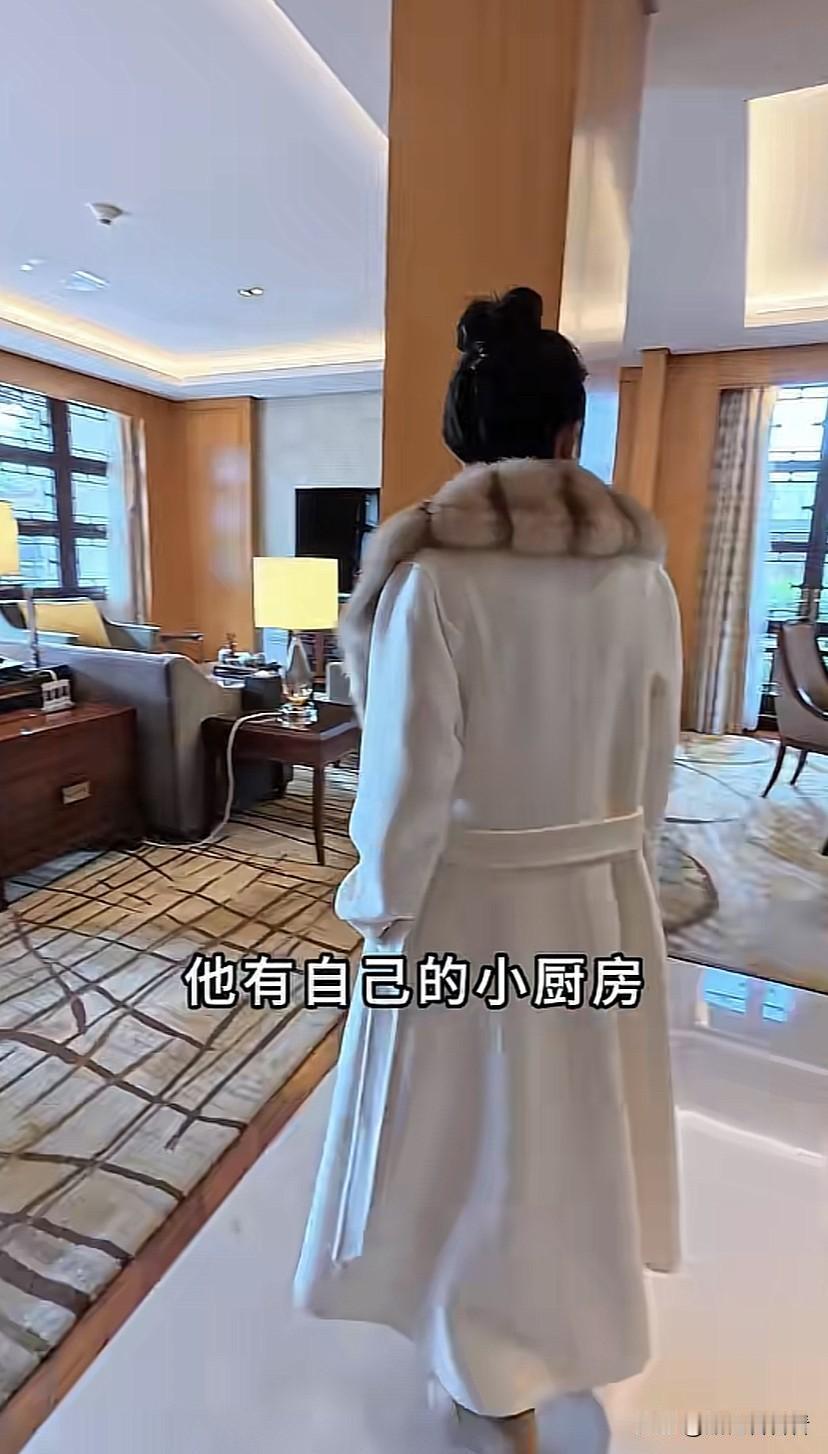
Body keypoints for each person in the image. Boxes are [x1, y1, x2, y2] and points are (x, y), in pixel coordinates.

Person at [294, 287, 681, 1454]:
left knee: (469, 1133)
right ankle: (563, 1328)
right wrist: (623, 875)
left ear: (463, 438)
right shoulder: (642, 578)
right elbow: (652, 767)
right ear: (569, 435)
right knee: (573, 1125)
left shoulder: (435, 579)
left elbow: (408, 779)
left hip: (468, 910)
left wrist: (378, 900)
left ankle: (485, 1362)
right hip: (600, 903)